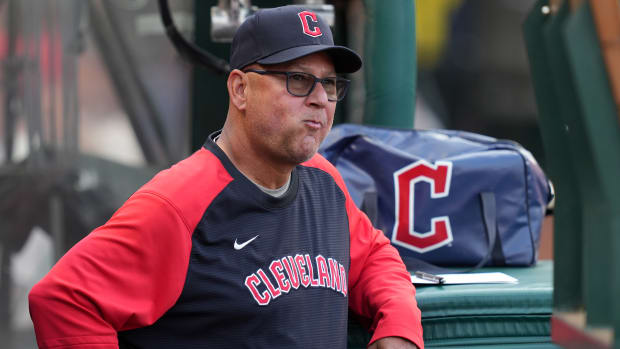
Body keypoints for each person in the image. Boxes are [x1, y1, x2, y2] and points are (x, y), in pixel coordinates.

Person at [29, 5, 423, 349]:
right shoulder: (178, 205)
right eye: (298, 80)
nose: (320, 98)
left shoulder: (323, 181)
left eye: (331, 84)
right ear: (240, 89)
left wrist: (400, 326)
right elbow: (65, 299)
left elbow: (374, 256)